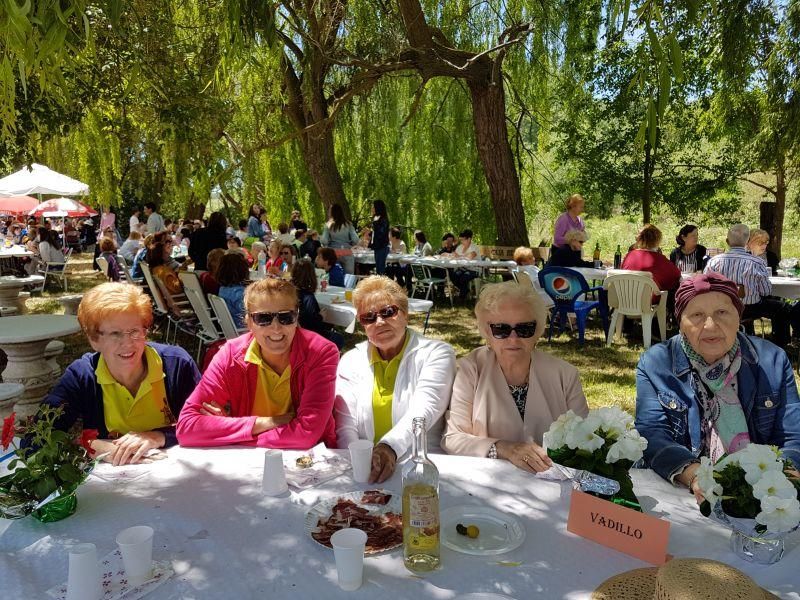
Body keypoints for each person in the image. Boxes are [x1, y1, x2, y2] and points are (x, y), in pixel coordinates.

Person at [635, 272, 800, 493]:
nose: (710, 325)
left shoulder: (773, 361)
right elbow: (652, 433)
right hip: (683, 487)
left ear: (739, 317)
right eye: (696, 315)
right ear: (681, 323)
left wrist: (779, 482)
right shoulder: (655, 363)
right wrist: (696, 477)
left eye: (722, 312)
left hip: (763, 488)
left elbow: (793, 436)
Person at [42, 283, 201, 466]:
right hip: (113, 481)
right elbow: (37, 439)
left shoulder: (177, 364)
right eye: (115, 334)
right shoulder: (82, 375)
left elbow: (206, 424)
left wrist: (158, 436)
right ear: (94, 340)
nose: (127, 344)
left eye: (134, 331)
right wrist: (91, 446)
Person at [176, 277, 339, 448]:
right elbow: (186, 427)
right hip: (251, 463)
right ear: (249, 323)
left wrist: (229, 433)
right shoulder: (229, 355)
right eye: (263, 318)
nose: (276, 328)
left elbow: (306, 434)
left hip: (312, 462)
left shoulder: (321, 352)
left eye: (286, 317)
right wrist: (265, 423)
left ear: (296, 318)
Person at [442, 281, 588, 472]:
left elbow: (585, 439)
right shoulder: (472, 369)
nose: (513, 338)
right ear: (487, 332)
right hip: (488, 481)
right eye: (501, 329)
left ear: (537, 331)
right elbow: (453, 439)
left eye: (524, 329)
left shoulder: (564, 375)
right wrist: (505, 449)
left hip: (550, 481)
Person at [335, 276, 456, 482]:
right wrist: (359, 462)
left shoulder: (436, 353)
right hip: (366, 470)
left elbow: (424, 410)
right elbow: (345, 423)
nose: (379, 322)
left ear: (405, 314)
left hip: (421, 469)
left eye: (388, 312)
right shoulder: (350, 360)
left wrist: (388, 448)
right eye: (369, 317)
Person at [704, 223, 791, 346]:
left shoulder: (714, 261)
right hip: (751, 309)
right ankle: (780, 345)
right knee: (782, 308)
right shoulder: (757, 262)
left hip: (722, 308)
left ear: (727, 241)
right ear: (747, 242)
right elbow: (766, 291)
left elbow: (706, 287)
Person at [291, 259, 344, 349]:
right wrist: (321, 317)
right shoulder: (308, 298)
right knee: (339, 338)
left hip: (296, 334)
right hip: (308, 337)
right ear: (311, 276)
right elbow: (312, 325)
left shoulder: (291, 293)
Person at [621, 224, 681, 293]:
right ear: (657, 240)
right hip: (650, 301)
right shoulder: (659, 259)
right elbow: (676, 275)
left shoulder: (629, 255)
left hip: (625, 299)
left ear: (639, 239)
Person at [321, 203, 360, 274]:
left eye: (329, 211)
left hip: (334, 253)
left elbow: (324, 241)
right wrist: (350, 244)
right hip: (347, 252)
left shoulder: (328, 225)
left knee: (335, 276)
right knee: (349, 278)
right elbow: (356, 240)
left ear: (332, 213)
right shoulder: (348, 224)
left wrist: (328, 244)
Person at [217, 251, 250, 328]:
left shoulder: (223, 289)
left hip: (231, 328)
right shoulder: (239, 293)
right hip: (243, 330)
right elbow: (250, 315)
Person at [449, 229, 481, 300]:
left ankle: (462, 297)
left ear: (469, 239)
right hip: (463, 268)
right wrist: (451, 255)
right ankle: (465, 290)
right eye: (460, 240)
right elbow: (454, 255)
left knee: (463, 277)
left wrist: (459, 256)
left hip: (474, 269)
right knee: (453, 275)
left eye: (463, 240)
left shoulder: (474, 247)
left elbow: (470, 256)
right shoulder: (460, 247)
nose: (461, 242)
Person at [369, 200, 390, 275]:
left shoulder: (383, 219)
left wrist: (375, 224)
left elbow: (381, 233)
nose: (372, 209)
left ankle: (382, 285)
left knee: (381, 269)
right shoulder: (376, 218)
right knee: (378, 269)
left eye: (373, 207)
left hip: (382, 247)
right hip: (377, 247)